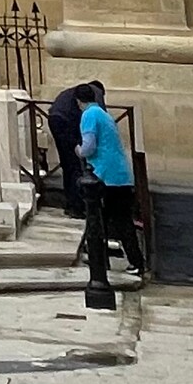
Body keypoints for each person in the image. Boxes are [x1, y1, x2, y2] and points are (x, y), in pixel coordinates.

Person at [78, 82, 144, 281]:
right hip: (121, 175)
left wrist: (78, 150)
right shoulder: (103, 114)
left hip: (106, 176)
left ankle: (134, 262)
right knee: (110, 219)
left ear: (78, 101)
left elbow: (89, 146)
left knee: (112, 220)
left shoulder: (89, 115)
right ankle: (102, 258)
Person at [45, 78, 101, 215]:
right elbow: (99, 114)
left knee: (67, 164)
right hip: (65, 121)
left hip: (55, 118)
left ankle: (71, 205)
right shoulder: (96, 92)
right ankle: (77, 206)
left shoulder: (73, 92)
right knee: (74, 165)